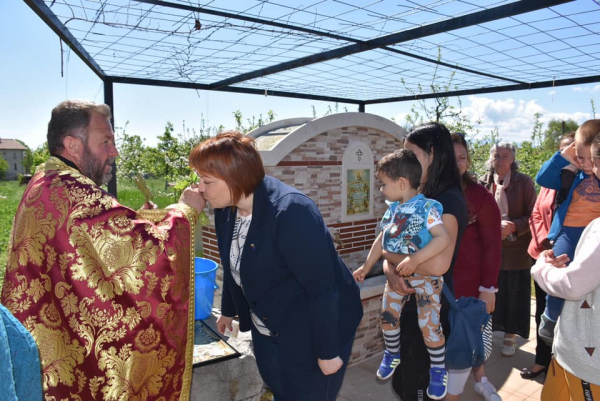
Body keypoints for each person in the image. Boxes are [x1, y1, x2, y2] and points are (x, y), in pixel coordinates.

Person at [0, 100, 206, 400]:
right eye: (106, 141)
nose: (115, 152)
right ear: (72, 145)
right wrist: (185, 211)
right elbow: (150, 257)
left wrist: (141, 218)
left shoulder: (46, 181)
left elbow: (90, 242)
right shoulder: (76, 193)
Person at [189, 131, 363, 401]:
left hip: (315, 329)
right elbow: (235, 262)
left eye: (207, 181)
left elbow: (322, 288)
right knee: (280, 388)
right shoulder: (226, 209)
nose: (199, 188)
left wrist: (327, 352)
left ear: (234, 178)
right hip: (270, 327)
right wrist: (228, 311)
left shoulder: (291, 212)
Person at [353, 150, 450, 399]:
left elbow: (442, 238)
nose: (381, 189)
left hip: (426, 280)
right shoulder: (393, 210)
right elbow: (381, 239)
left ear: (402, 183)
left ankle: (439, 369)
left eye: (384, 184)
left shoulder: (427, 208)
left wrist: (415, 259)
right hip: (398, 276)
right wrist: (366, 266)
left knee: (429, 326)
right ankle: (392, 354)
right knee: (387, 317)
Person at [387, 122, 468, 401]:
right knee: (405, 383)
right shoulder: (420, 196)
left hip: (432, 310)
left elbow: (438, 265)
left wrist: (387, 256)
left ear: (431, 154)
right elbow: (392, 242)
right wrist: (390, 270)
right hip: (410, 306)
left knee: (417, 388)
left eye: (411, 154)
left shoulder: (448, 201)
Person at [531, 135, 600, 399]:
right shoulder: (574, 174)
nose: (586, 164)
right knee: (557, 267)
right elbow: (544, 178)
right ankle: (550, 317)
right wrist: (563, 158)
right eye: (580, 157)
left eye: (589, 159)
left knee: (576, 285)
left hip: (591, 235)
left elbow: (573, 285)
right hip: (570, 231)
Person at [446, 132, 502, 401]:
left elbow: (493, 246)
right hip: (440, 286)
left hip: (470, 286)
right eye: (452, 157)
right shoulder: (428, 193)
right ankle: (474, 380)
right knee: (454, 341)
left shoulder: (480, 196)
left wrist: (488, 288)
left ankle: (478, 381)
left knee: (470, 338)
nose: (458, 163)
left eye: (463, 157)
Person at [523, 132, 575, 380]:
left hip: (569, 259)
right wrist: (545, 242)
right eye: (563, 150)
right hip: (544, 255)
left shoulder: (583, 181)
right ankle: (541, 360)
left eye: (573, 151)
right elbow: (536, 213)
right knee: (543, 310)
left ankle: (563, 365)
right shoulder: (548, 183)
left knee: (567, 314)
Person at [480, 142, 536, 357]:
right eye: (497, 156)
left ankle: (510, 336)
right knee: (490, 291)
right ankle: (485, 333)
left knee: (514, 294)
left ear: (513, 160)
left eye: (505, 156)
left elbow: (534, 214)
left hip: (516, 249)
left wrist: (513, 226)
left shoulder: (524, 182)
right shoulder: (483, 182)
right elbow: (476, 213)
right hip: (489, 248)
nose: (500, 160)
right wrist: (495, 226)